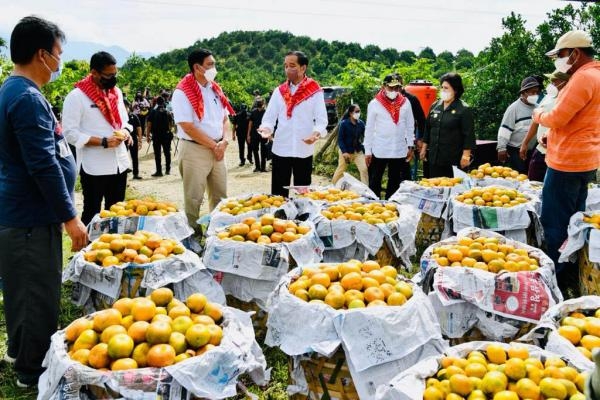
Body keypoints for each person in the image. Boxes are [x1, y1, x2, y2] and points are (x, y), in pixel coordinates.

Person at [0, 15, 88, 388]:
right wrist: (70, 217)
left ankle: (20, 350)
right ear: (42, 54)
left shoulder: (13, 90)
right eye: (58, 53)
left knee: (22, 289)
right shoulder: (26, 98)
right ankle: (31, 371)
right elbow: (44, 165)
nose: (59, 61)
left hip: (22, 215)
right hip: (30, 219)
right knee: (37, 292)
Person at [532, 30, 600, 295]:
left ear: (575, 53)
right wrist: (555, 135)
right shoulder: (596, 75)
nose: (558, 61)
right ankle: (572, 271)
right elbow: (581, 120)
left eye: (560, 55)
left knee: (555, 222)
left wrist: (538, 114)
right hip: (586, 159)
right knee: (575, 220)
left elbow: (557, 117)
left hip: (566, 162)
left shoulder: (582, 78)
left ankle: (556, 281)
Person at [63, 51, 132, 226]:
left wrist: (125, 132)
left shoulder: (115, 92)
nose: (113, 79)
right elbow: (70, 133)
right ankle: (86, 250)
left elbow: (124, 121)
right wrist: (102, 142)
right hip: (94, 166)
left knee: (117, 210)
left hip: (119, 163)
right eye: (108, 75)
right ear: (94, 72)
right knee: (92, 211)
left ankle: (114, 248)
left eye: (115, 74)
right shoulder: (76, 97)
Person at [172, 48, 234, 230]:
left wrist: (224, 142)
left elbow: (225, 118)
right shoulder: (183, 92)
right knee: (194, 197)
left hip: (217, 149)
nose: (214, 68)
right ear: (197, 67)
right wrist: (214, 145)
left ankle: (217, 232)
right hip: (195, 149)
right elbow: (187, 126)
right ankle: (192, 235)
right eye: (210, 65)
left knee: (220, 196)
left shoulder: (214, 89)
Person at [258, 50, 327, 197]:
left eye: (292, 65)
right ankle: (279, 218)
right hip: (281, 148)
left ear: (303, 68)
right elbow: (269, 118)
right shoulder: (279, 91)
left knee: (303, 195)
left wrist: (316, 134)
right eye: (285, 66)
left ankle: (302, 219)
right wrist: (266, 129)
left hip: (304, 149)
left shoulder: (315, 91)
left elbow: (321, 120)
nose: (287, 69)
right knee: (278, 194)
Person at [364, 73, 414, 199]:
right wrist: (367, 151)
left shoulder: (405, 102)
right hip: (380, 148)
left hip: (398, 149)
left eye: (397, 88)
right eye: (391, 88)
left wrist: (410, 145)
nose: (394, 91)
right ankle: (374, 205)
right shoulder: (375, 103)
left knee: (395, 180)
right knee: (375, 179)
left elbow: (410, 125)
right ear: (384, 86)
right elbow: (369, 129)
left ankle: (391, 205)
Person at [420, 73, 476, 178]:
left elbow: (468, 135)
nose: (443, 90)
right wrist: (424, 148)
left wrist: (466, 155)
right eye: (441, 87)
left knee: (452, 188)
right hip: (434, 157)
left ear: (455, 90)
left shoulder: (463, 109)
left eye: (446, 88)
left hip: (453, 158)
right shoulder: (435, 105)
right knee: (435, 186)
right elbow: (428, 128)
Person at [519, 71, 570, 182]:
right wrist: (525, 143)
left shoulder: (568, 100)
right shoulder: (547, 97)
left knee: (552, 186)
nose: (550, 84)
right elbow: (536, 121)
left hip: (557, 153)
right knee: (533, 181)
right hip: (540, 149)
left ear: (564, 82)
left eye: (553, 81)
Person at [496, 76, 541, 173]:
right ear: (524, 93)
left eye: (537, 92)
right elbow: (505, 130)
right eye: (532, 92)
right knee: (519, 175)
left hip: (532, 149)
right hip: (515, 150)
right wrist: (501, 148)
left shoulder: (538, 108)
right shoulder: (514, 108)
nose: (535, 95)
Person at [332, 104, 368, 184]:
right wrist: (344, 152)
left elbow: (366, 136)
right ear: (351, 113)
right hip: (346, 152)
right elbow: (340, 139)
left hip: (357, 151)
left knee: (364, 169)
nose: (358, 113)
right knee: (340, 170)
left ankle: (366, 191)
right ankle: (333, 186)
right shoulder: (344, 124)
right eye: (356, 111)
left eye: (359, 111)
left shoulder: (361, 124)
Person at [401, 82, 426, 180]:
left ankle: (406, 182)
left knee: (405, 162)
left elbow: (421, 119)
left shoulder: (411, 99)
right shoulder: (386, 100)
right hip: (392, 138)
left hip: (409, 135)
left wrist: (420, 138)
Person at [147, 96, 174, 176]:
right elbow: (171, 125)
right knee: (167, 153)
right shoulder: (167, 112)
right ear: (164, 102)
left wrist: (148, 135)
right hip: (166, 135)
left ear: (157, 103)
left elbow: (149, 125)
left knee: (157, 154)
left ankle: (159, 171)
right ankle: (168, 170)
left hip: (156, 135)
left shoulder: (153, 112)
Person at [247, 98, 268, 172]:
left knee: (263, 151)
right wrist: (248, 135)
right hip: (255, 134)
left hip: (263, 134)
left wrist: (248, 135)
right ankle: (258, 167)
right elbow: (250, 123)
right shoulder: (254, 112)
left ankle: (262, 167)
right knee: (256, 151)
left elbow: (268, 124)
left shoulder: (266, 112)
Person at [124, 99, 143, 180]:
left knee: (134, 157)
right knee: (123, 156)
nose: (125, 108)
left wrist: (140, 140)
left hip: (133, 139)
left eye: (126, 106)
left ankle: (136, 173)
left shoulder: (134, 116)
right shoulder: (119, 117)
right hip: (122, 140)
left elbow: (139, 128)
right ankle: (123, 173)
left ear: (129, 107)